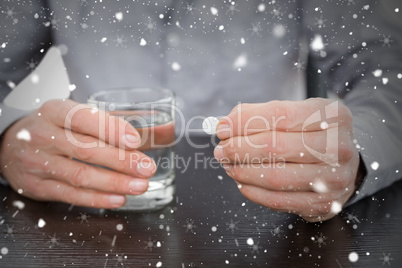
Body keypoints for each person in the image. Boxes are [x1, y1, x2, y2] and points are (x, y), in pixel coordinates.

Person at [0, 0, 401, 222]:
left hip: (267, 213)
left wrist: (358, 151)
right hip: (100, 210)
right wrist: (7, 137)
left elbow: (389, 68)